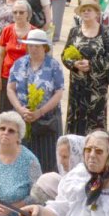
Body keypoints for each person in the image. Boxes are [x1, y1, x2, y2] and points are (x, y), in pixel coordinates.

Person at [7, 28, 65, 173]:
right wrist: (20, 109)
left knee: (45, 161)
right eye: (30, 45)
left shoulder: (53, 65)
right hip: (22, 118)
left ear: (45, 47)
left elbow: (58, 92)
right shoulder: (19, 63)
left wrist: (39, 112)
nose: (33, 49)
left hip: (47, 121)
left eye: (37, 46)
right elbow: (10, 88)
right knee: (22, 159)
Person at [61, 0, 109, 135]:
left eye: (89, 10)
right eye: (83, 10)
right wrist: (74, 64)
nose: (86, 12)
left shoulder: (105, 32)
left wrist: (91, 65)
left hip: (97, 88)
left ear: (96, 13)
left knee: (95, 123)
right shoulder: (74, 31)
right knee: (76, 120)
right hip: (77, 86)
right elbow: (64, 55)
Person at [0, 0, 33, 114]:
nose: (18, 15)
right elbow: (0, 55)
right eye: (15, 12)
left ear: (28, 14)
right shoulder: (7, 30)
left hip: (26, 78)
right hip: (7, 75)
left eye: (21, 12)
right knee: (4, 111)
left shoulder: (34, 33)